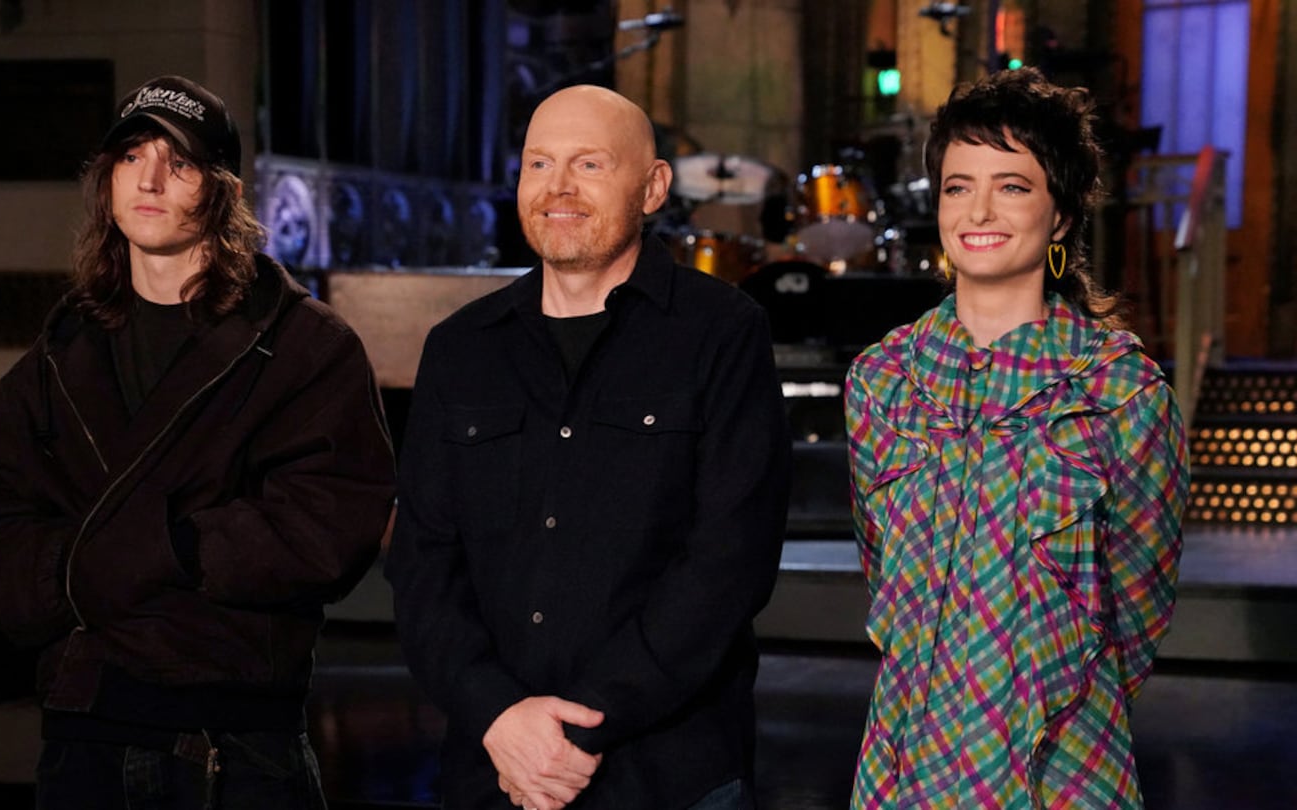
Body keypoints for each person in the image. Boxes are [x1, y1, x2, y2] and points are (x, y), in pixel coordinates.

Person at [0, 75, 396, 809]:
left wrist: (159, 551)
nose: (150, 179)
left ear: (220, 189)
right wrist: (91, 572)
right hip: (82, 739)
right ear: (106, 179)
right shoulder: (64, 347)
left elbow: (326, 528)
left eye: (179, 162)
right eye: (132, 156)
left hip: (235, 748)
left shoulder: (303, 347)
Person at [384, 84, 791, 810]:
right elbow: (422, 566)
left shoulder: (723, 333)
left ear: (654, 186)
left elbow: (730, 561)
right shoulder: (460, 350)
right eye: (538, 164)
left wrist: (579, 727)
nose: (558, 188)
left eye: (590, 165)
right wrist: (502, 717)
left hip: (670, 776)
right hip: (494, 770)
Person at [843, 67, 1190, 808]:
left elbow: (1139, 604)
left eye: (1013, 184)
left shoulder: (1120, 393)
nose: (980, 208)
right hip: (910, 761)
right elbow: (884, 577)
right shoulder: (882, 383)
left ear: (1061, 215)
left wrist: (1048, 686)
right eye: (959, 185)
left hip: (1065, 765)